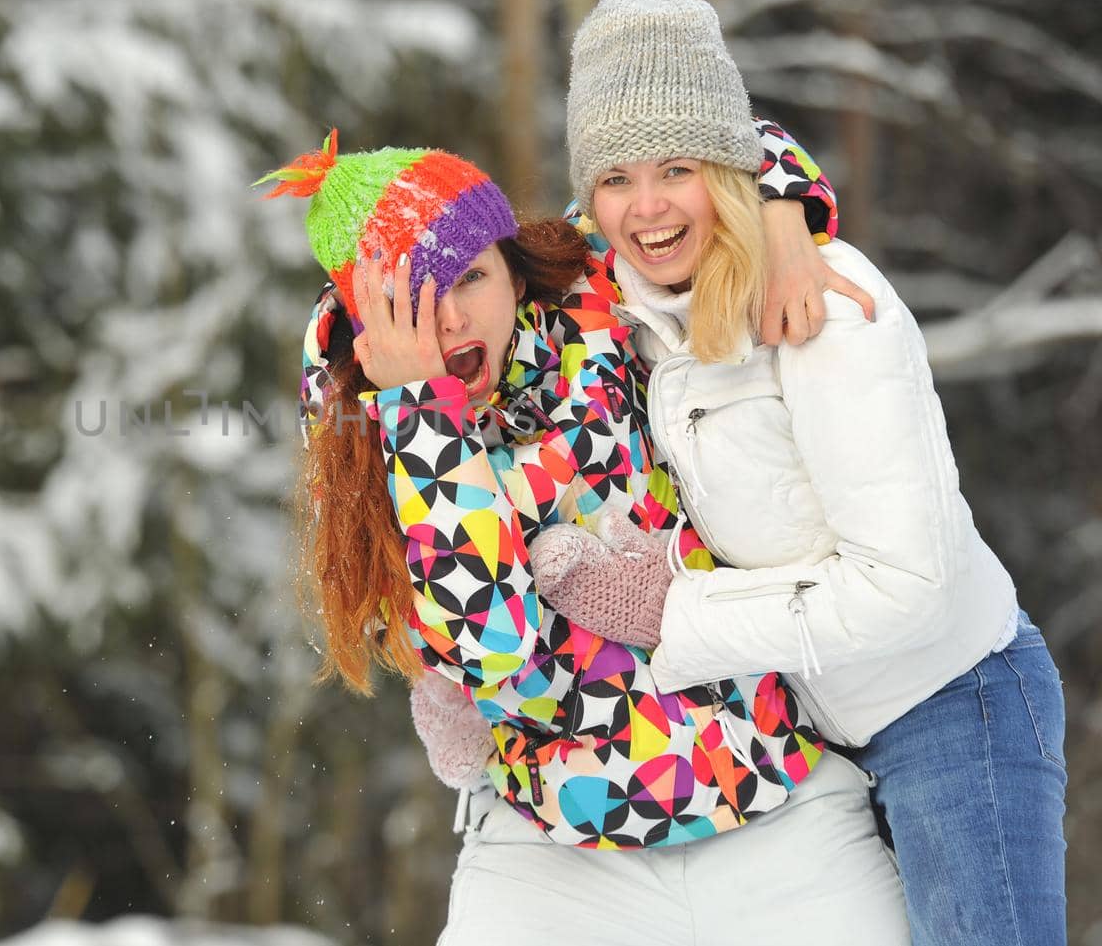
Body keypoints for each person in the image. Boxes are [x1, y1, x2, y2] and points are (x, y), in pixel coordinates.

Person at [259, 132, 910, 945]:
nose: (452, 316)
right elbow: (494, 642)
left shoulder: (591, 293)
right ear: (368, 314)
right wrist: (421, 413)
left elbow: (725, 144)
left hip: (774, 791)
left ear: (512, 262)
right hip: (559, 850)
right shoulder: (358, 431)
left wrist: (782, 223)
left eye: (471, 278)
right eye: (414, 298)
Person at [547, 0, 1068, 946]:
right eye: (616, 177)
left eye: (678, 167)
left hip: (953, 707)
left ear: (727, 169)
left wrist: (675, 614)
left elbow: (907, 586)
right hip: (805, 738)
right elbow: (475, 274)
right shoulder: (616, 309)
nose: (647, 206)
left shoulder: (823, 305)